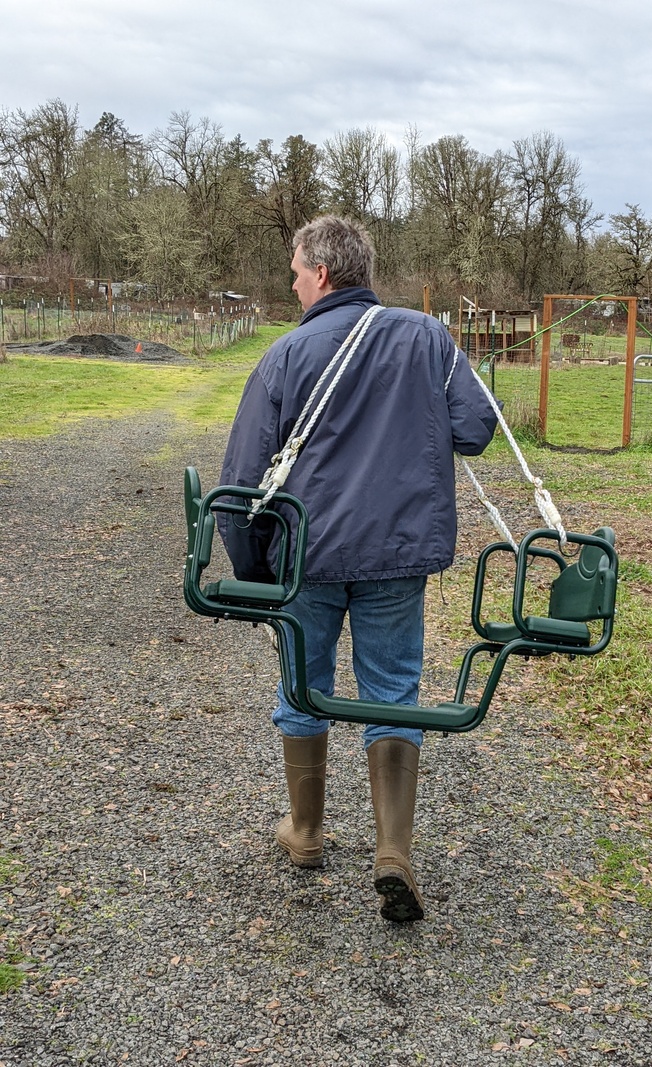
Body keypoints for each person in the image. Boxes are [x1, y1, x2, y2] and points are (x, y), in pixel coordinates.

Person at [218, 214, 497, 922]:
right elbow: (474, 428)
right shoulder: (428, 337)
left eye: (294, 269)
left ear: (321, 274)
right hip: (398, 555)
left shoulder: (286, 354)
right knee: (393, 689)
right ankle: (393, 851)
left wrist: (253, 571)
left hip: (306, 557)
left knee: (302, 685)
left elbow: (243, 476)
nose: (290, 281)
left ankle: (306, 834)